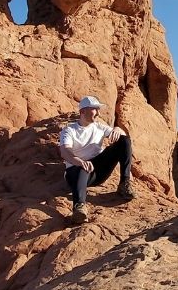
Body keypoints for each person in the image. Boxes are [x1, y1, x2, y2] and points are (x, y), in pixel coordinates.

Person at [57, 96, 136, 225]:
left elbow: (121, 135)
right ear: (83, 111)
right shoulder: (69, 130)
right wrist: (79, 161)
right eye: (95, 109)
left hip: (97, 172)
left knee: (124, 140)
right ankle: (79, 208)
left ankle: (124, 184)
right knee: (83, 167)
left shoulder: (99, 127)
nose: (98, 113)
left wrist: (117, 129)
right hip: (76, 173)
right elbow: (65, 151)